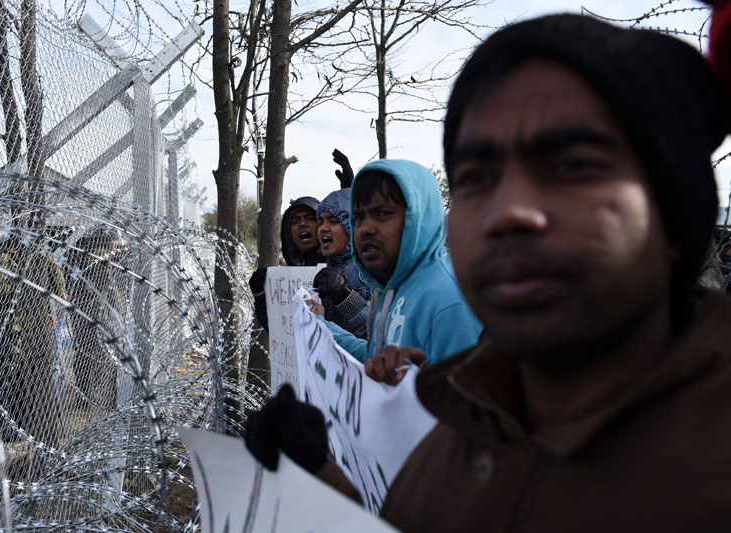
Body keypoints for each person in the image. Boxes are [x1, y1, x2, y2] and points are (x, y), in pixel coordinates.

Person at [245, 14, 731, 531]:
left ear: (674, 206)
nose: (509, 211)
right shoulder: (468, 421)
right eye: (478, 177)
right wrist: (319, 472)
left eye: (571, 166)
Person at [319, 159, 482, 367]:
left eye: (383, 214)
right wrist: (322, 328)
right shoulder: (391, 287)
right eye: (359, 217)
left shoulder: (450, 299)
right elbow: (375, 359)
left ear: (419, 215)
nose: (365, 228)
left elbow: (463, 396)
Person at [248, 149, 355, 331]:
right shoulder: (288, 278)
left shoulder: (346, 269)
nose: (302, 224)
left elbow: (367, 327)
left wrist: (349, 196)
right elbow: (282, 333)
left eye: (310, 218)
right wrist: (260, 296)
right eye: (295, 221)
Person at [310, 188, 371, 338]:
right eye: (321, 221)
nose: (323, 228)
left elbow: (378, 331)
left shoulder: (371, 270)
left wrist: (345, 297)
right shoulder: (327, 266)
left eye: (333, 221)